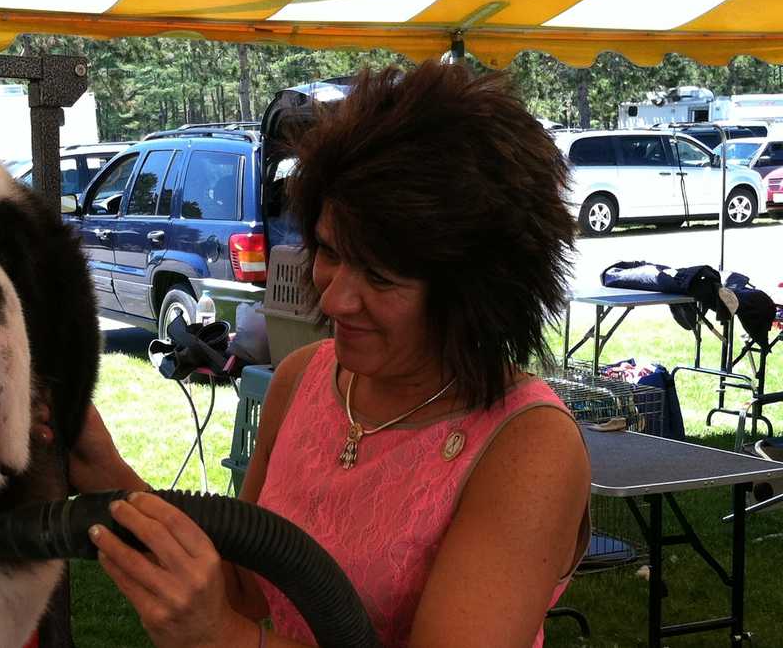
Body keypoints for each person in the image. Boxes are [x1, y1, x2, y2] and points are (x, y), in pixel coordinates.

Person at [53, 60, 591, 647]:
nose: (333, 297)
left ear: (477, 295)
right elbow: (247, 585)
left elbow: (232, 621)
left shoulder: (527, 446)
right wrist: (106, 471)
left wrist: (223, 639)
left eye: (381, 278)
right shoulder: (304, 378)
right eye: (330, 251)